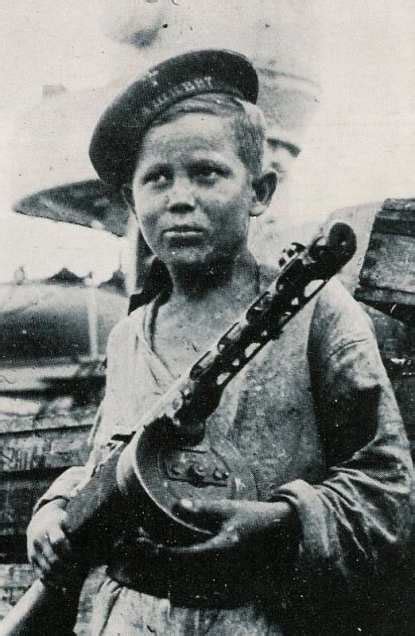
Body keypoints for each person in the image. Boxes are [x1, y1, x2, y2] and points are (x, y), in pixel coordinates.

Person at [26, 49, 413, 635]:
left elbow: (388, 483)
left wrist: (284, 521)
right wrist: (54, 511)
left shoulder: (314, 308)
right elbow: (109, 462)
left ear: (259, 191)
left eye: (207, 173)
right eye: (156, 179)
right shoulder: (131, 335)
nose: (180, 197)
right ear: (133, 204)